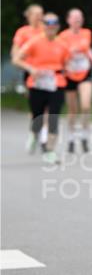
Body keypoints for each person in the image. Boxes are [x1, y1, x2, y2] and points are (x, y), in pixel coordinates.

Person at [11, 12, 68, 164]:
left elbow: (67, 64)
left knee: (53, 116)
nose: (51, 26)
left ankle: (50, 150)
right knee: (37, 116)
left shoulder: (63, 44)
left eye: (54, 23)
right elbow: (16, 59)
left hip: (56, 83)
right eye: (47, 23)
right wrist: (31, 68)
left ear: (58, 26)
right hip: (37, 83)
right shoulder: (34, 42)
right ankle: (34, 133)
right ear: (43, 26)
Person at [59, 8, 92, 154]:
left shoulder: (87, 32)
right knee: (72, 110)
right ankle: (71, 138)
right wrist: (70, 53)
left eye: (80, 17)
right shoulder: (62, 36)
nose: (77, 20)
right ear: (68, 20)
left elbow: (86, 48)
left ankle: (84, 136)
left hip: (85, 72)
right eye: (75, 17)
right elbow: (61, 54)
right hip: (69, 74)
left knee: (86, 106)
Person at [11, 4, 47, 151]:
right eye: (36, 14)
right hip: (30, 72)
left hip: (47, 72)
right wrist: (26, 65)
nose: (39, 17)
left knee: (48, 105)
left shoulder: (46, 30)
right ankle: (34, 132)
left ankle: (44, 137)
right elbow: (15, 54)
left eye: (41, 14)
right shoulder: (23, 32)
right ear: (29, 16)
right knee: (35, 107)